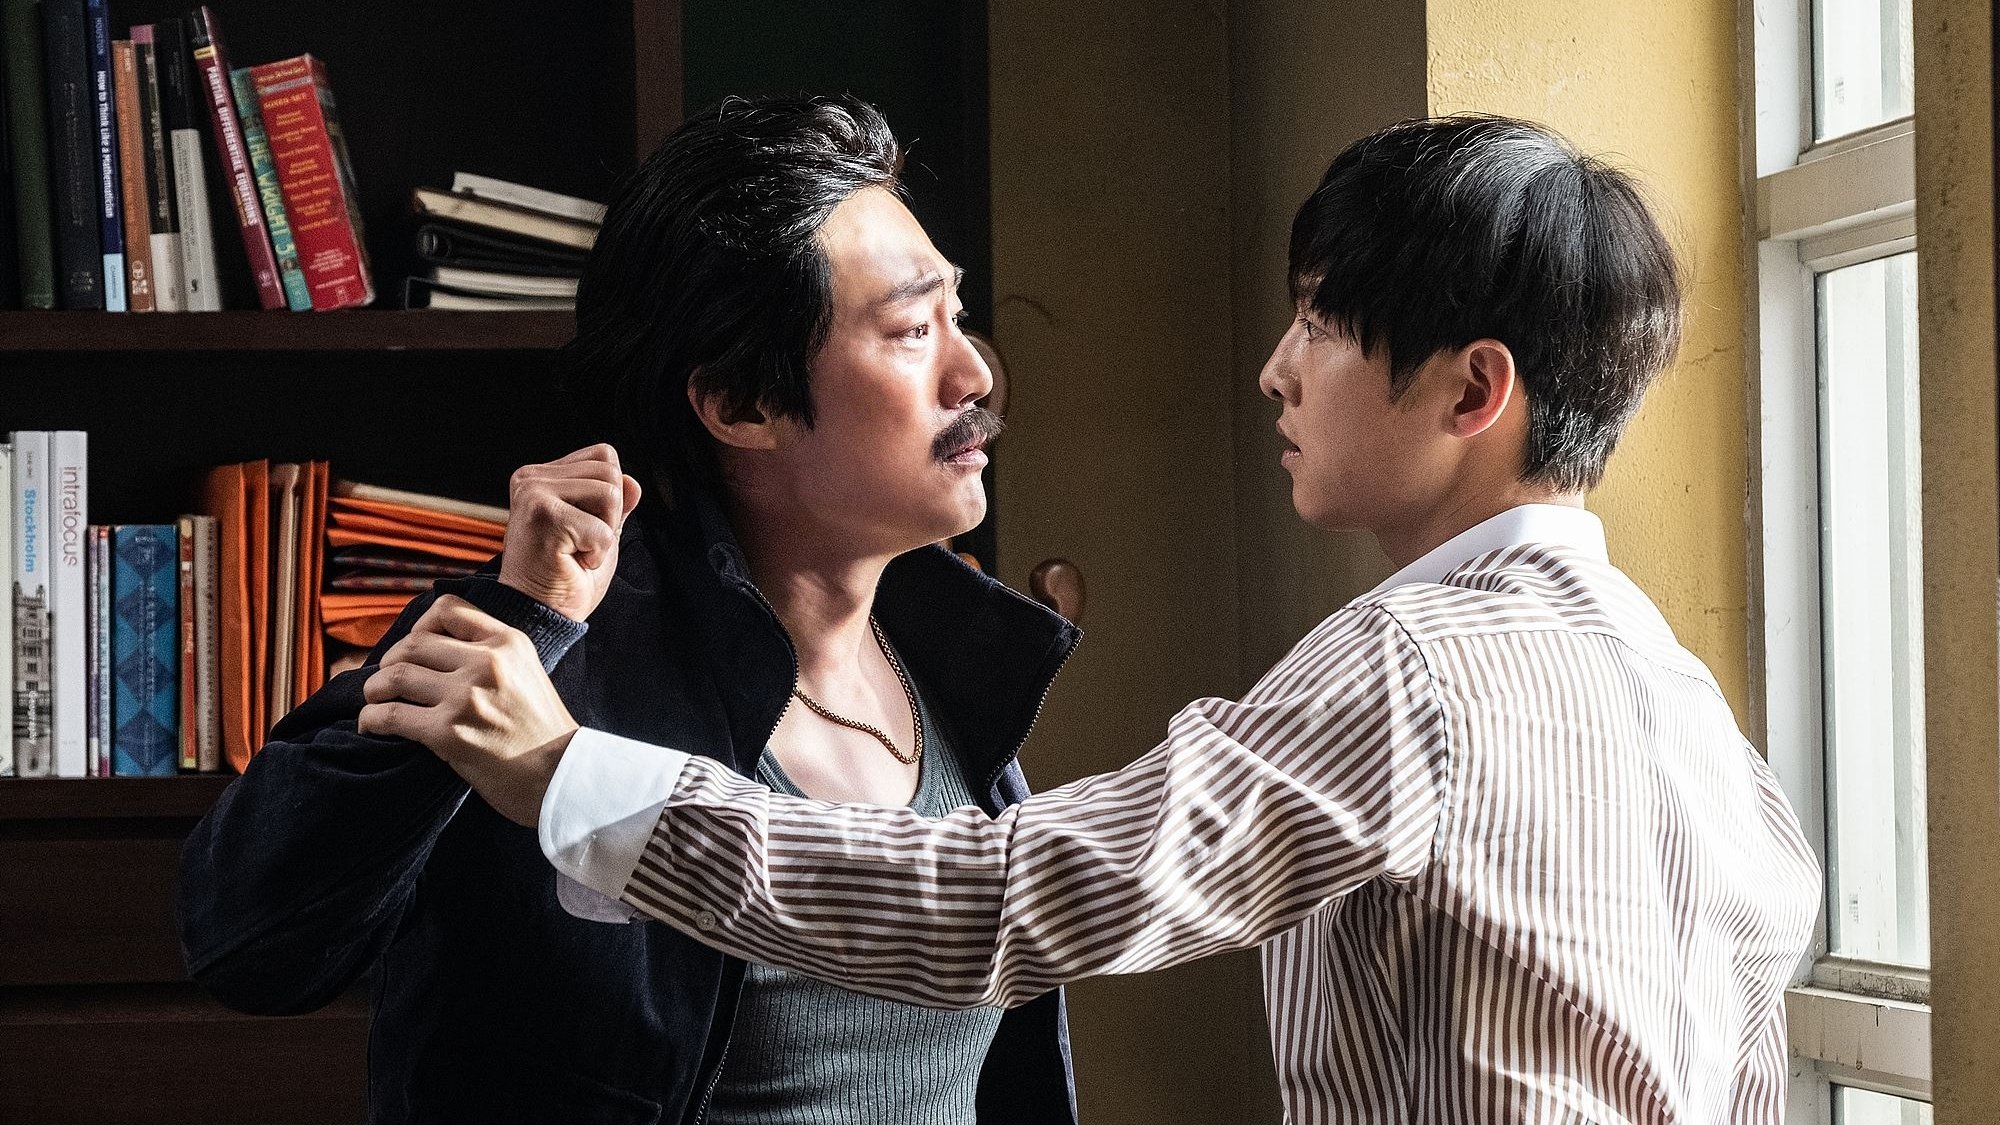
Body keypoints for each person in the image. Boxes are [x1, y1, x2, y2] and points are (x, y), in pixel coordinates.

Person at [368, 115, 1823, 1122]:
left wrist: (565, 774)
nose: (1276, 369)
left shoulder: (1416, 669)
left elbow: (1001, 905)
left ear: (1472, 391)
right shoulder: (1695, 716)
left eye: (1321, 321)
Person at [177, 94, 1080, 1125]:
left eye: (956, 315)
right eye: (913, 330)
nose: (973, 373)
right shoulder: (547, 661)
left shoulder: (964, 664)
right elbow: (248, 941)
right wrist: (523, 621)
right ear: (741, 404)